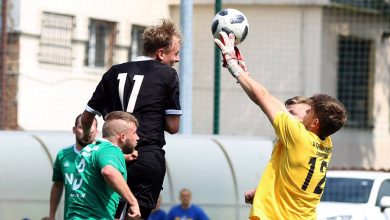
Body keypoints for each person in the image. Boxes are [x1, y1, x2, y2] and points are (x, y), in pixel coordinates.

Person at [214, 32, 347, 219]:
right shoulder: (326, 143)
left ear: (315, 123)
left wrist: (233, 65)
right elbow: (267, 100)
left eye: (308, 112)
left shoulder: (300, 137)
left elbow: (263, 97)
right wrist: (265, 191)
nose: (303, 114)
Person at [80, 18, 182, 219]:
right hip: (147, 157)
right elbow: (173, 126)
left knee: (106, 213)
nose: (177, 59)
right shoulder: (168, 74)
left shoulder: (114, 71)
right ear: (160, 53)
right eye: (176, 54)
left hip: (113, 156)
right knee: (136, 215)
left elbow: (86, 116)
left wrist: (86, 137)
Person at [66, 111, 141, 219]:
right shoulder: (112, 150)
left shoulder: (88, 150)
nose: (137, 137)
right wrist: (133, 202)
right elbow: (108, 172)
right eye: (134, 133)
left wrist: (122, 158)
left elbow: (95, 166)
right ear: (123, 137)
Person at [244, 96, 311, 204]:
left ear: (310, 119)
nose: (285, 117)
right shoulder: (285, 144)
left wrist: (241, 77)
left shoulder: (302, 142)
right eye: (285, 113)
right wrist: (261, 192)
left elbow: (262, 96)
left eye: (292, 113)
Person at [49, 114, 98, 220]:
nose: (86, 131)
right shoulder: (63, 154)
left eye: (90, 127)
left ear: (96, 132)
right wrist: (52, 215)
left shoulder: (103, 154)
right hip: (70, 216)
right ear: (74, 130)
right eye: (81, 127)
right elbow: (57, 185)